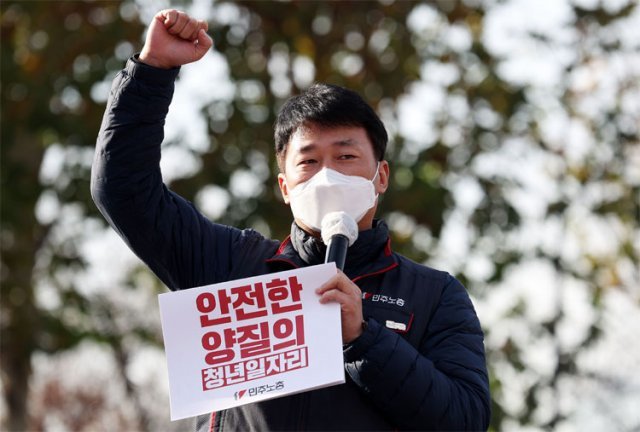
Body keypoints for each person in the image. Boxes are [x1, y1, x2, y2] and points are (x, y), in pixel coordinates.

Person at [91, 9, 490, 432]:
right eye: (309, 161)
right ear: (284, 187)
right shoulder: (232, 265)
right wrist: (153, 71)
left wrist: (363, 339)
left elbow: (465, 419)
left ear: (381, 177)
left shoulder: (433, 295)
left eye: (346, 156)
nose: (328, 175)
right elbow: (124, 191)